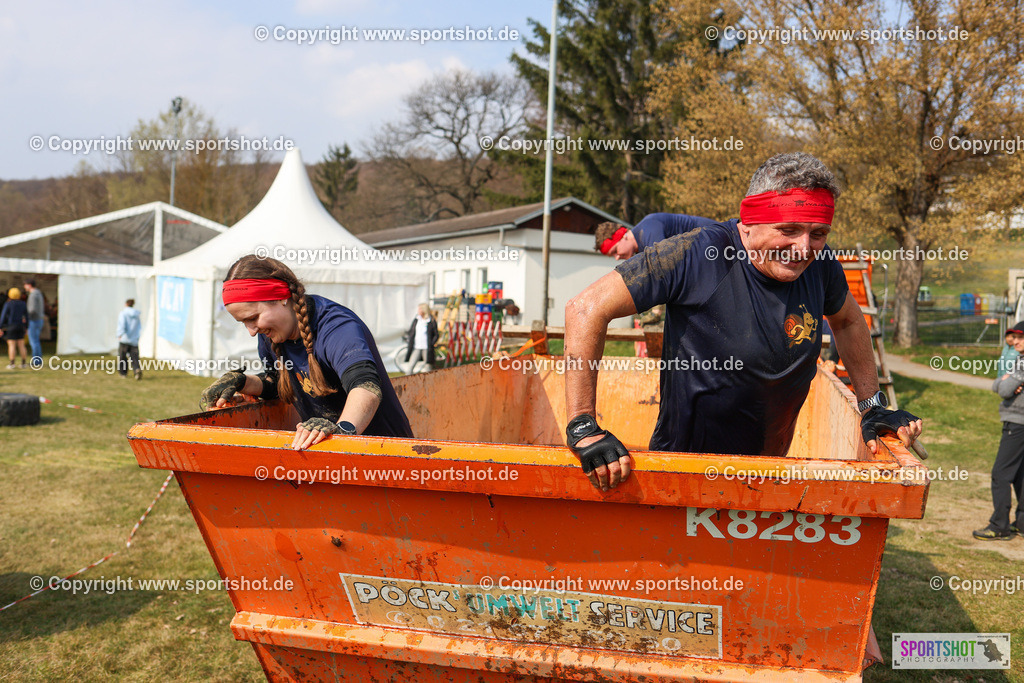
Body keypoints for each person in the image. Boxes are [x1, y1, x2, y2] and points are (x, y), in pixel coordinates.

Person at [565, 152, 924, 490]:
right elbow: (585, 309)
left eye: (818, 233)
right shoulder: (696, 254)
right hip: (685, 469)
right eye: (788, 230)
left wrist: (871, 405)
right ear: (749, 223)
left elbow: (847, 320)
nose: (803, 248)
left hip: (769, 470)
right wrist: (584, 426)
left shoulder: (820, 263)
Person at [200, 255, 413, 449]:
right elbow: (283, 384)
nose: (251, 331)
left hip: (386, 454)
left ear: (281, 297)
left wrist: (342, 431)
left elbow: (366, 387)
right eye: (243, 322)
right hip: (330, 456)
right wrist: (241, 381)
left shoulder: (336, 327)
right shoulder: (271, 336)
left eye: (253, 318)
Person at [974, 322, 1024, 540]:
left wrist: (1005, 382)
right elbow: (1001, 385)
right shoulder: (1019, 360)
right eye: (1014, 337)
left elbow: (1002, 389)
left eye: (1021, 337)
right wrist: (1003, 382)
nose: (1016, 341)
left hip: (1018, 423)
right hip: (1019, 422)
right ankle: (1022, 523)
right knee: (1020, 475)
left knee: (1000, 473)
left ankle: (999, 525)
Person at [594, 214, 719, 260]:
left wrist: (656, 311)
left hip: (715, 239)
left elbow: (665, 268)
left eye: (615, 251)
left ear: (623, 236)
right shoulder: (643, 244)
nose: (617, 258)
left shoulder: (648, 231)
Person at [403, 303, 438, 374]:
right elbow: (412, 331)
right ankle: (407, 382)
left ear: (424, 310)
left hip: (427, 348)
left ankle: (429, 383)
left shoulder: (431, 321)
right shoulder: (417, 320)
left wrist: (431, 343)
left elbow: (436, 335)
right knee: (410, 365)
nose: (418, 311)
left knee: (428, 367)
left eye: (419, 309)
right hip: (417, 347)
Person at [0, 287, 28, 369]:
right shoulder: (23, 304)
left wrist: (0, 327)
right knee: (21, 345)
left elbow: (3, 316)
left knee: (11, 345)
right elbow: (26, 316)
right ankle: (23, 363)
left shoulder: (8, 304)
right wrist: (27, 327)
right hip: (20, 326)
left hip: (11, 326)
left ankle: (12, 364)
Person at [117, 298, 143, 380]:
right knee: (135, 357)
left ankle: (123, 373)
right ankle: (136, 370)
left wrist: (119, 334)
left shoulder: (123, 313)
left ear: (126, 304)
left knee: (123, 357)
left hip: (125, 338)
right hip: (134, 339)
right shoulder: (136, 315)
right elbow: (139, 326)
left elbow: (122, 324)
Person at [24, 278, 44, 368]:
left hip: (34, 320)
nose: (24, 287)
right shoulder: (38, 293)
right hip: (39, 319)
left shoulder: (33, 295)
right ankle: (38, 360)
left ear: (29, 285)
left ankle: (36, 361)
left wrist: (25, 318)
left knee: (34, 341)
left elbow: (32, 310)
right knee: (36, 341)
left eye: (25, 285)